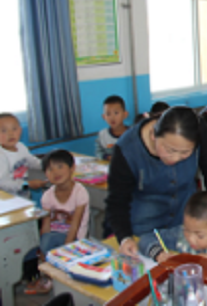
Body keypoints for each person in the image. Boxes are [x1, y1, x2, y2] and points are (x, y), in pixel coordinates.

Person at [105, 106, 207, 256]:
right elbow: (117, 201)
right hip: (144, 233)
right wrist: (125, 237)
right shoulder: (127, 149)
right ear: (153, 135)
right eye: (169, 150)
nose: (175, 158)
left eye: (185, 152)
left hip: (186, 227)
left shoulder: (197, 129)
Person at [26, 150, 90, 295]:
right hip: (55, 237)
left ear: (72, 168)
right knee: (45, 242)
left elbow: (75, 225)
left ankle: (58, 278)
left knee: (57, 251)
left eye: (60, 166)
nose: (55, 172)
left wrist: (65, 250)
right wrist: (43, 251)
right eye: (50, 169)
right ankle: (49, 277)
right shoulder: (47, 196)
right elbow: (46, 225)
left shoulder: (80, 192)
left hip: (75, 238)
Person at [139, 191, 207, 267]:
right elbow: (145, 239)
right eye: (187, 230)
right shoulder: (179, 234)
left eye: (200, 236)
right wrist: (159, 253)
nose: (190, 239)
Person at [0, 113, 45, 194]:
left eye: (14, 129)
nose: (10, 134)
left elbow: (32, 161)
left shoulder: (21, 146)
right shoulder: (1, 156)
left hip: (23, 193)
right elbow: (2, 183)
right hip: (8, 197)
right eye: (4, 131)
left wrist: (48, 166)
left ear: (20, 131)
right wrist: (27, 184)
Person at [96, 95, 129, 161]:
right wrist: (107, 157)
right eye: (108, 114)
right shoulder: (102, 135)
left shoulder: (133, 133)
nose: (112, 117)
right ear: (104, 117)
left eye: (116, 113)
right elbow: (99, 152)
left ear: (125, 114)